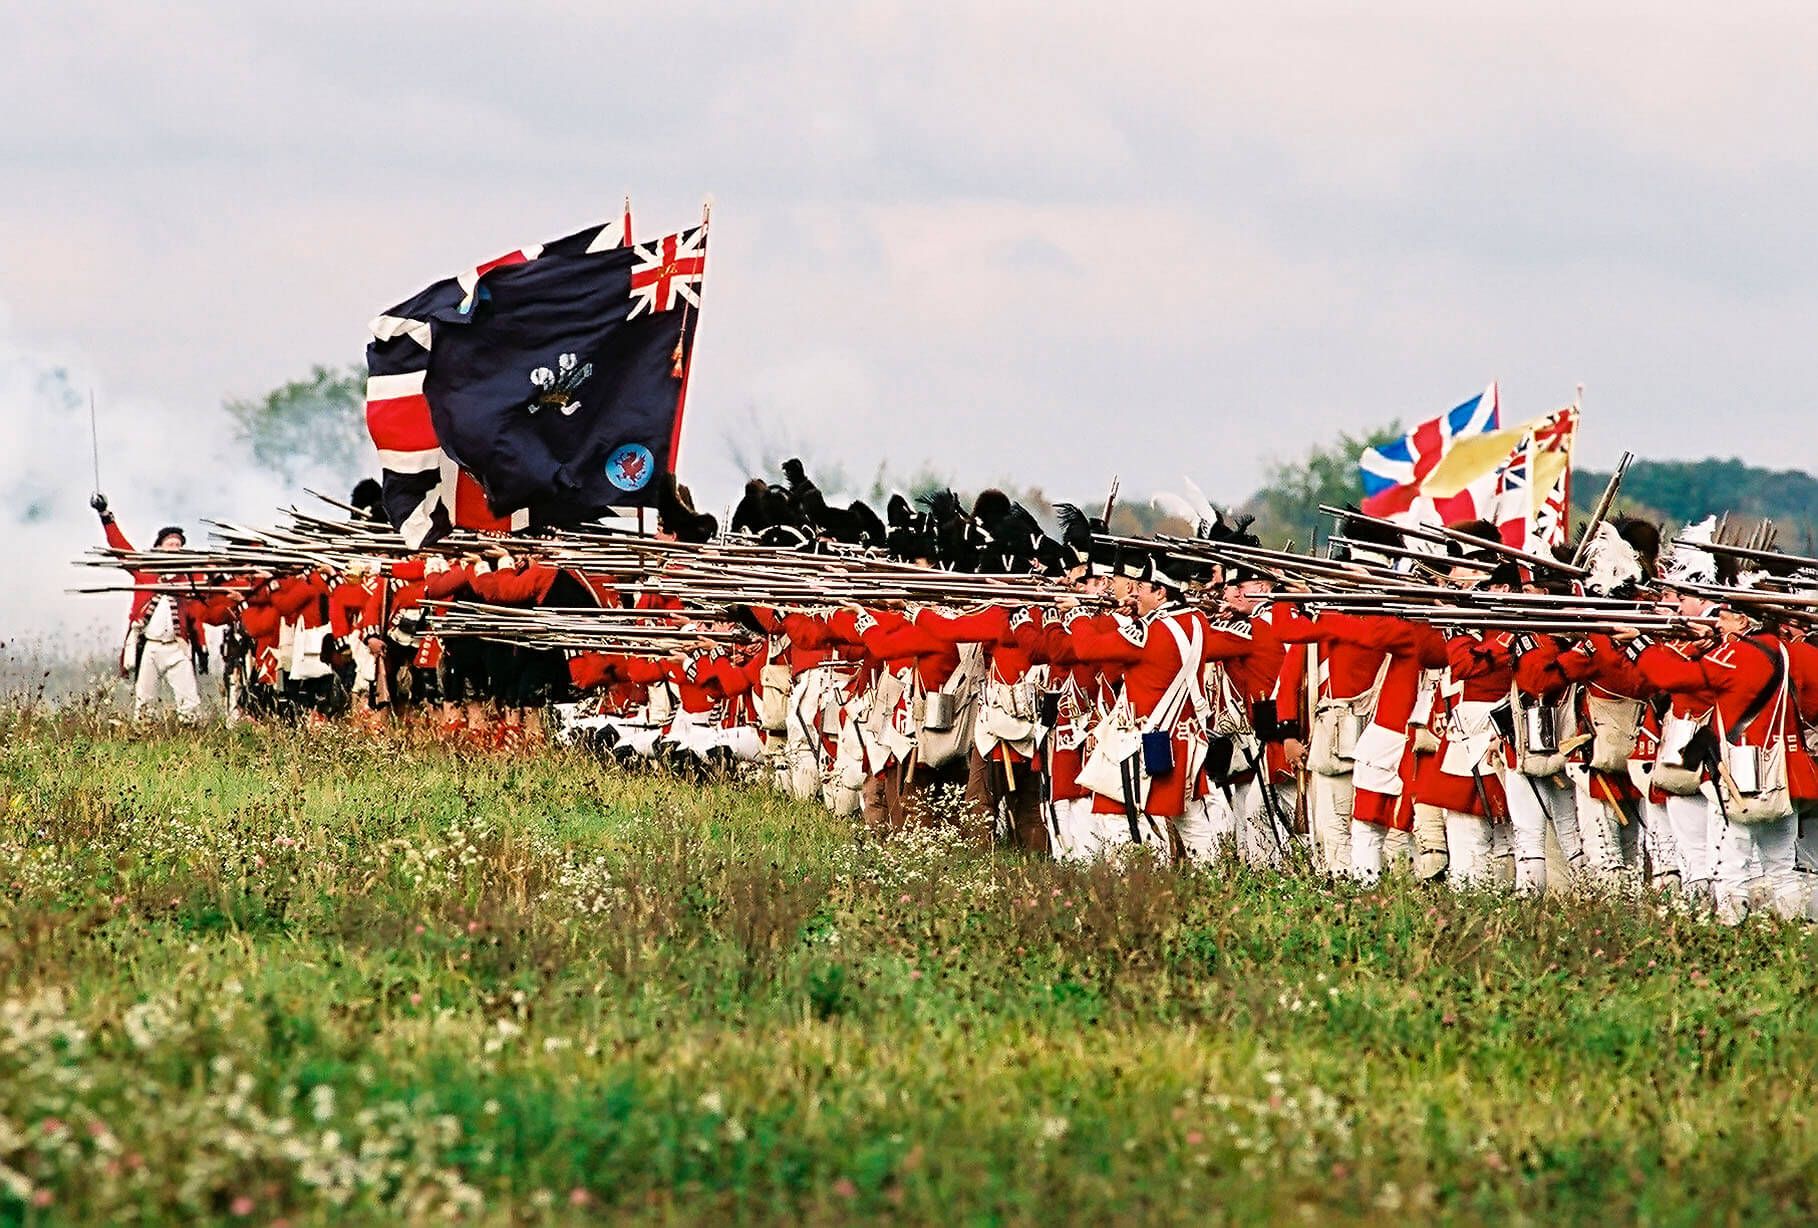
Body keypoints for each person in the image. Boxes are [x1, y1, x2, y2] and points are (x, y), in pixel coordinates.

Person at [92, 492, 204, 719]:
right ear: (159, 547)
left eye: (178, 544)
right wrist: (105, 515)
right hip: (150, 646)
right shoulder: (145, 570)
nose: (175, 547)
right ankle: (144, 733)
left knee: (190, 702)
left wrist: (201, 645)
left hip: (177, 646)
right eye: (170, 543)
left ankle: (192, 732)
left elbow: (203, 604)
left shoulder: (190, 576)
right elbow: (121, 548)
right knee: (145, 701)